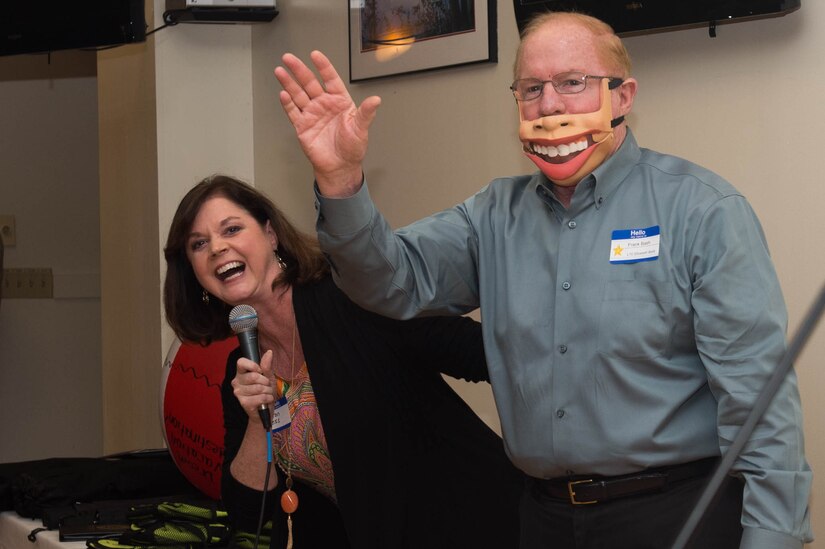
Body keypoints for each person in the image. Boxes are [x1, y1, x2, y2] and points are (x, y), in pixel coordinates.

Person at [274, 10, 813, 549]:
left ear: (623, 96)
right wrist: (341, 181)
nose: (550, 103)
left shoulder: (702, 211)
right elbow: (388, 281)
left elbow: (760, 402)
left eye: (573, 83)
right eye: (532, 88)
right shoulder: (491, 217)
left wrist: (773, 537)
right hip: (541, 518)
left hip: (676, 514)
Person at [162, 175, 522, 549]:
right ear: (193, 270)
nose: (218, 248)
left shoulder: (351, 296)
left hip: (477, 523)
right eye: (199, 244)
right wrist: (258, 423)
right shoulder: (241, 371)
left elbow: (478, 353)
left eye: (232, 229)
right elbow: (248, 514)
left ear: (271, 235)